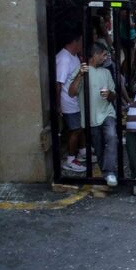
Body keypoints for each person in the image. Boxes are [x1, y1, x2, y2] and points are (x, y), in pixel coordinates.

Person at [67, 42, 118, 187]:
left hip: (107, 112)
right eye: (104, 55)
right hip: (90, 117)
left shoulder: (106, 72)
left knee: (112, 137)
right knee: (99, 147)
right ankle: (107, 174)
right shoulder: (82, 70)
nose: (105, 58)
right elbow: (72, 93)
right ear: (95, 55)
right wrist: (80, 75)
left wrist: (109, 94)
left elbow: (114, 95)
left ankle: (109, 172)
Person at [56, 32, 87, 173]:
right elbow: (58, 84)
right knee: (75, 130)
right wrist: (58, 105)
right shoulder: (64, 59)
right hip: (67, 101)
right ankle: (70, 160)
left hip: (75, 100)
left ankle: (82, 151)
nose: (82, 44)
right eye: (80, 41)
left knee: (79, 127)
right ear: (74, 41)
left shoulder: (73, 56)